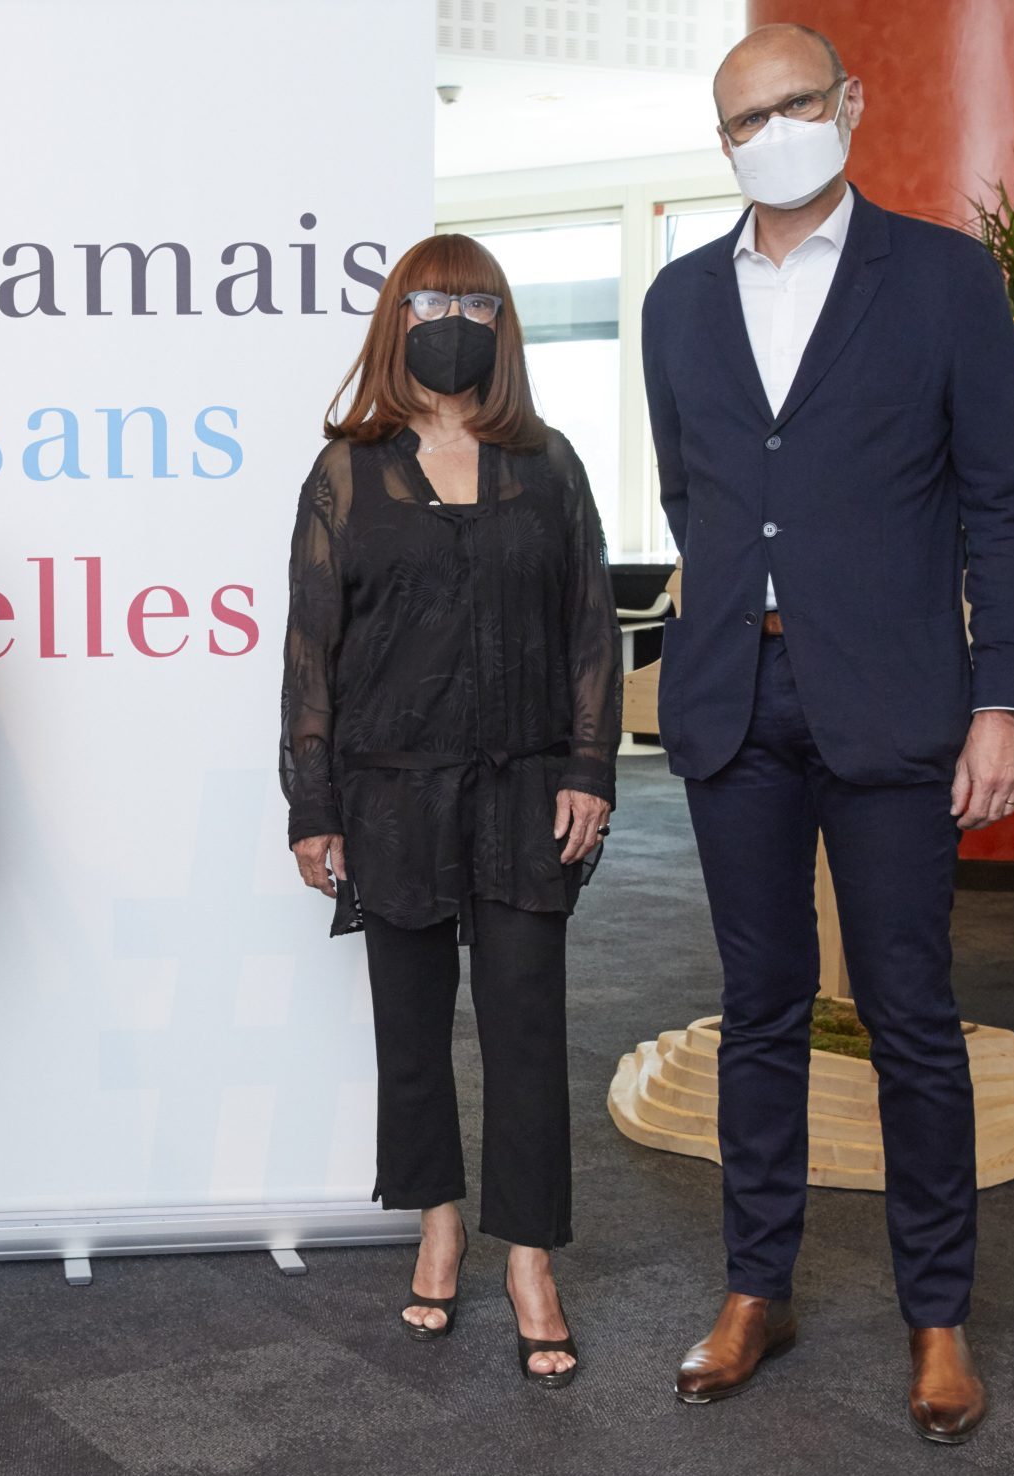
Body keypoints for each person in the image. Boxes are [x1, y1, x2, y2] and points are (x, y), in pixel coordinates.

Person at [642, 24, 1014, 1444]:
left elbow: (1004, 502)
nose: (773, 133)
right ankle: (760, 1288)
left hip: (892, 705)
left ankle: (936, 1317)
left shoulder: (942, 280)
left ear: (850, 105)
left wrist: (1003, 699)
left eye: (795, 105)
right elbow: (698, 495)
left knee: (910, 1018)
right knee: (757, 1011)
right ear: (726, 144)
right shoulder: (680, 300)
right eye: (743, 121)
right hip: (731, 702)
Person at [282, 233, 621, 1386]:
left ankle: (531, 1256)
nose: (455, 317)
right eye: (432, 298)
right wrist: (311, 802)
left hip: (529, 788)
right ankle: (437, 1219)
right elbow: (312, 650)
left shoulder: (551, 463)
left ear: (504, 321)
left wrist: (591, 770)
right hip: (390, 794)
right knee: (410, 1029)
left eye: (478, 300)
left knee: (528, 1029)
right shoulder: (346, 471)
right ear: (396, 317)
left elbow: (589, 630)